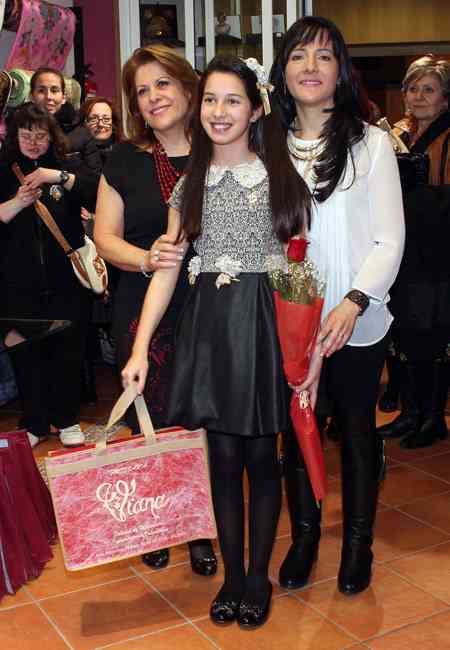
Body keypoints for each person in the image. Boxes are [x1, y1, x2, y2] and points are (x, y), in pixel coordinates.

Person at [122, 54, 311, 629]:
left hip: (261, 329)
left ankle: (257, 577)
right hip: (207, 329)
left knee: (261, 456)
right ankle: (231, 576)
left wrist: (304, 352)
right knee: (222, 458)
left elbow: (299, 271)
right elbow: (167, 272)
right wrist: (139, 349)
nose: (219, 111)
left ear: (255, 109)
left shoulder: (282, 179)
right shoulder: (189, 187)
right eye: (210, 99)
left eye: (233, 100)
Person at [270, 16, 405, 595]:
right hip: (288, 319)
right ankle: (303, 538)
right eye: (299, 55)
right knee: (297, 427)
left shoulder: (371, 143)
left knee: (355, 431)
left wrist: (352, 302)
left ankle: (357, 544)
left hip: (354, 318)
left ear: (341, 71)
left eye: (324, 56)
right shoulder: (266, 145)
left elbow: (389, 240)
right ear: (283, 71)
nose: (310, 67)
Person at [94, 45, 217, 576]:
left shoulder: (221, 147)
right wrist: (145, 259)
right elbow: (104, 238)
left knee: (201, 422)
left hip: (211, 305)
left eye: (162, 84)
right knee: (150, 421)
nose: (152, 97)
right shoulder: (125, 159)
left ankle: (199, 529)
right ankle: (159, 522)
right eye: (141, 91)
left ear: (188, 88)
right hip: (141, 306)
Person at [0, 102, 92, 448]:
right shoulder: (2, 169)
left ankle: (67, 419)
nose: (34, 143)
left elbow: (96, 191)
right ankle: (35, 421)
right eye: (27, 136)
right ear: (14, 136)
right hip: (15, 282)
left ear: (51, 136)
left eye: (41, 136)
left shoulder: (65, 165)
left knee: (67, 350)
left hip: (65, 278)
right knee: (25, 354)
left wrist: (59, 177)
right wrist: (16, 203)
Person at [377, 55, 450, 448]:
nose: (418, 96)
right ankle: (409, 413)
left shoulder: (448, 136)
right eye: (412, 88)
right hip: (399, 251)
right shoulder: (394, 133)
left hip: (436, 254)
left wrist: (417, 191)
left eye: (429, 90)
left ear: (445, 98)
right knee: (402, 335)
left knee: (432, 335)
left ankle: (433, 418)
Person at [29, 67, 102, 177]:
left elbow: (95, 181)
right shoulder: (20, 131)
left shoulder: (81, 133)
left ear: (63, 97)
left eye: (54, 90)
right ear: (32, 97)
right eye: (41, 91)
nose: (48, 97)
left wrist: (61, 177)